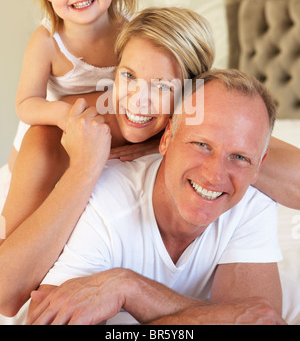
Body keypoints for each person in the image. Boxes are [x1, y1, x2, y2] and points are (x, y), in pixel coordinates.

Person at [0, 6, 215, 318]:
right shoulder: (50, 136)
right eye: (128, 76)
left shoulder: (193, 126)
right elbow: (6, 295)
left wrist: (161, 143)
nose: (138, 100)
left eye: (162, 86)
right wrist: (85, 167)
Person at [26, 69, 285, 325]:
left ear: (258, 166)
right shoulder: (106, 196)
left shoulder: (253, 206)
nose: (215, 176)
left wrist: (130, 289)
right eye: (202, 145)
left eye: (240, 157)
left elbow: (258, 322)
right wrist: (218, 317)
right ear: (167, 138)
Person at [7, 0, 138, 176]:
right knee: (28, 181)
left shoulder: (133, 32)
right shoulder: (47, 41)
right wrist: (64, 115)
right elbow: (26, 102)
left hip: (101, 132)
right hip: (51, 131)